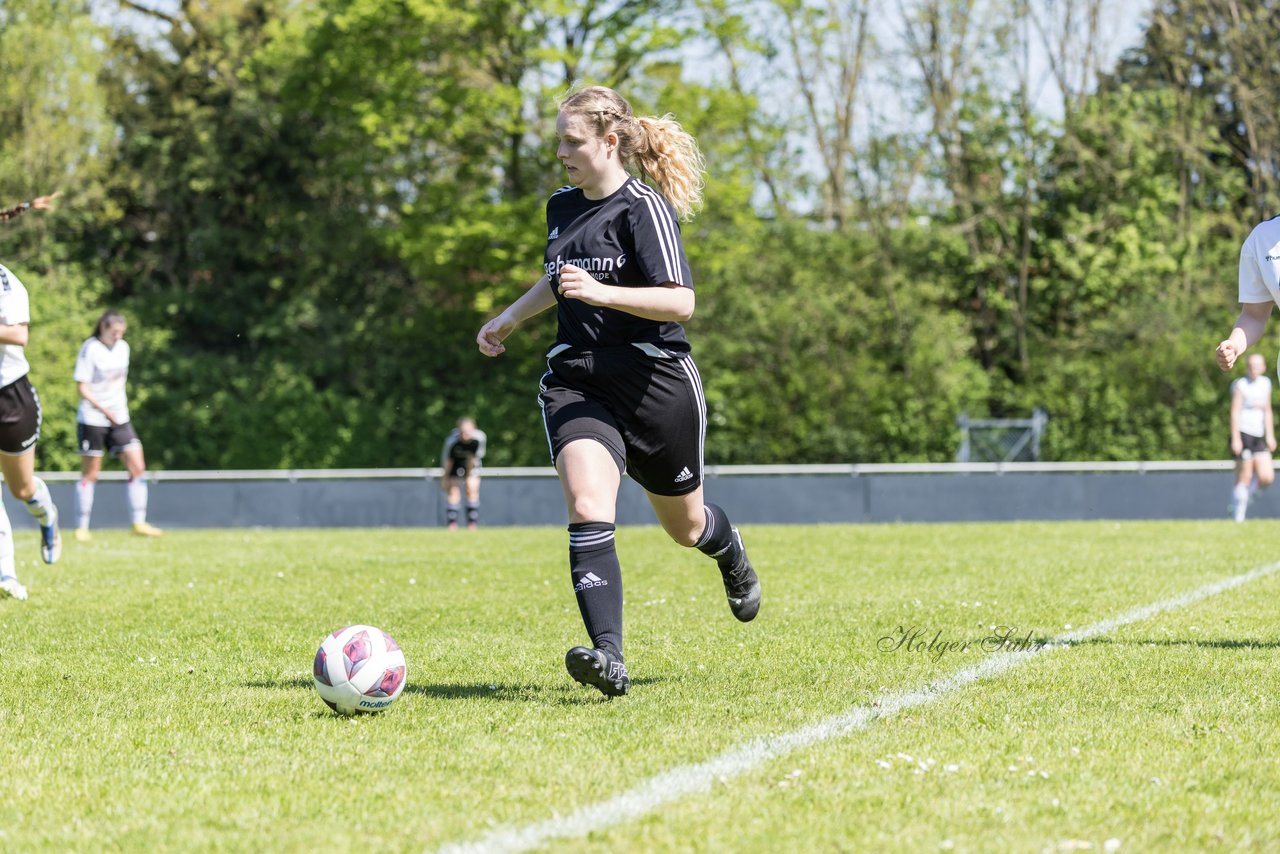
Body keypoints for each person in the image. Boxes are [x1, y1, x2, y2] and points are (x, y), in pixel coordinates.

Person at [476, 85, 761, 697]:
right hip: (578, 378)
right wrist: (508, 318)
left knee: (686, 529)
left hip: (654, 380)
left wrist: (603, 294)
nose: (561, 151)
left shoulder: (643, 208)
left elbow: (680, 301)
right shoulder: (560, 206)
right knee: (586, 503)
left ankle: (728, 547)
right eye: (559, 140)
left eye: (571, 141)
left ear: (610, 142)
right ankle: (609, 658)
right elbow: (560, 281)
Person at [0, 262, 63, 600]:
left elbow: (17, 334)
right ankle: (6, 575)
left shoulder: (6, 281)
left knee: (20, 489)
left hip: (10, 397)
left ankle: (46, 513)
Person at [72, 310, 162, 539]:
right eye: (115, 332)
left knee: (137, 467)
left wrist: (115, 411)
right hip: (93, 418)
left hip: (120, 417)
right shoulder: (90, 348)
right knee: (91, 474)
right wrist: (104, 410)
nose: (118, 337)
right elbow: (82, 388)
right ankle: (81, 527)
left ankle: (138, 523)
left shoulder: (124, 348)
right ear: (103, 327)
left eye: (122, 333)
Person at [1226, 352, 1275, 522]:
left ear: (1263, 367)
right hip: (1243, 433)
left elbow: (1267, 410)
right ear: (1247, 367)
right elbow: (1234, 412)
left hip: (1259, 434)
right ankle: (1238, 514)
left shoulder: (1266, 384)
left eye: (1258, 365)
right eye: (1251, 365)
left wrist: (1270, 435)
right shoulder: (1240, 385)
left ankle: (1246, 497)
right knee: (1245, 475)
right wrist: (1236, 438)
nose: (1254, 368)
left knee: (1267, 476)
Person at [440, 416, 486, 530]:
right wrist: (444, 479)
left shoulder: (479, 439)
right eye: (463, 432)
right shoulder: (452, 442)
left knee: (472, 488)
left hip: (471, 463)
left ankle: (472, 524)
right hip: (454, 463)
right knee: (453, 490)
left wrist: (468, 475)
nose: (466, 434)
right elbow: (448, 462)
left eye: (469, 431)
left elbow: (473, 458)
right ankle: (452, 524)